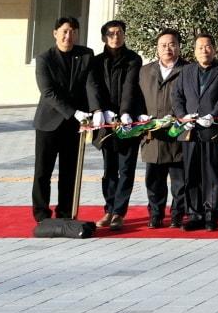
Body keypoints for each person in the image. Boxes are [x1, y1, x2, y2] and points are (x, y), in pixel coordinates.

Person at [31, 16, 101, 223]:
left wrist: (95, 110)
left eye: (72, 32)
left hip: (75, 126)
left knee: (70, 171)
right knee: (43, 171)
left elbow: (91, 85)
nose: (68, 36)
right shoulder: (44, 58)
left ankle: (65, 212)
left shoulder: (86, 55)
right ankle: (41, 214)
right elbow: (48, 92)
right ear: (55, 33)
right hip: (49, 123)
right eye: (64, 31)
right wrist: (73, 112)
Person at [171, 33, 218, 231]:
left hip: (212, 130)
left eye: (207, 47)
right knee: (191, 173)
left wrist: (214, 114)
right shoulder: (186, 71)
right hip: (190, 131)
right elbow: (177, 96)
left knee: (212, 173)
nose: (204, 51)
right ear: (194, 51)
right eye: (200, 47)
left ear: (214, 49)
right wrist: (182, 116)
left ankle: (212, 214)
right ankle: (194, 214)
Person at [89, 19, 143, 231]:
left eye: (119, 32)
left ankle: (119, 212)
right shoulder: (96, 61)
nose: (116, 37)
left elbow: (130, 86)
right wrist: (98, 110)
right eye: (111, 34)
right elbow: (93, 86)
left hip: (127, 122)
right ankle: (109, 209)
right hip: (106, 121)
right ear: (104, 37)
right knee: (109, 169)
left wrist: (125, 112)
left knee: (126, 168)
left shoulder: (133, 59)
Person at [139, 29, 189, 228]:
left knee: (180, 180)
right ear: (157, 48)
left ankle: (177, 214)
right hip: (153, 135)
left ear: (179, 46)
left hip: (178, 133)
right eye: (163, 45)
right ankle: (155, 214)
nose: (168, 48)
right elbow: (136, 98)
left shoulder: (188, 70)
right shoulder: (145, 71)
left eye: (172, 44)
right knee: (154, 180)